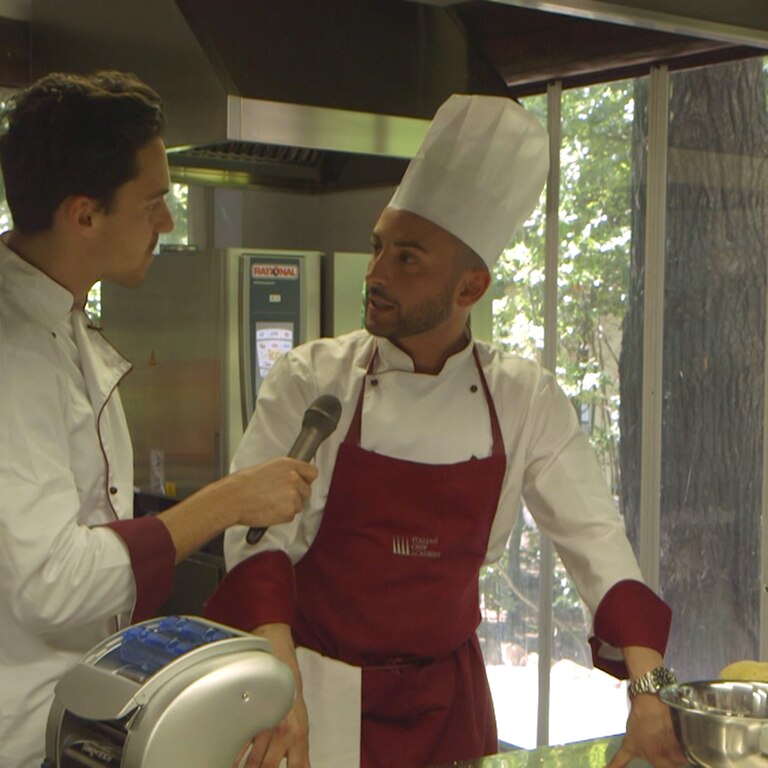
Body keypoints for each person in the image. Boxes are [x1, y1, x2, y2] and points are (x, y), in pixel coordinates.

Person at [205, 94, 686, 768]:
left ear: (470, 288)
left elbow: (596, 542)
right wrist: (277, 682)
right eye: (377, 248)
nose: (375, 275)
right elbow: (255, 541)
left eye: (407, 259)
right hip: (313, 695)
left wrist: (650, 690)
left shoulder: (524, 399)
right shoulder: (312, 379)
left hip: (449, 709)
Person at [0, 70, 318, 768]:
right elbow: (52, 581)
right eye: (152, 203)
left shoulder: (58, 322)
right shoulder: (13, 352)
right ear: (84, 215)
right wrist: (226, 502)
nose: (167, 223)